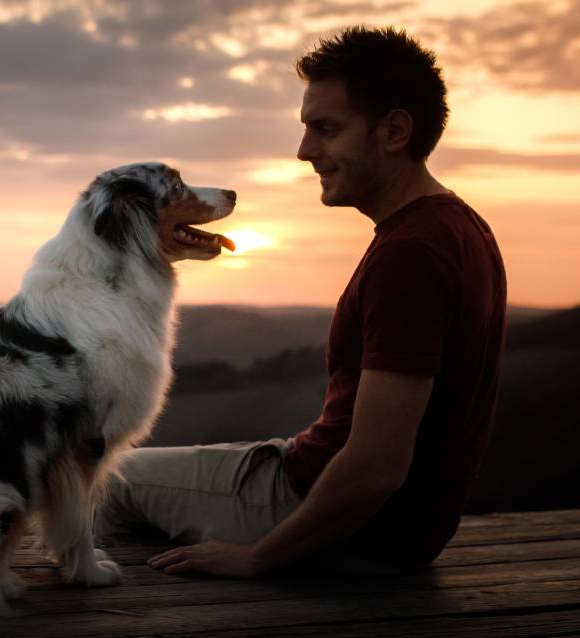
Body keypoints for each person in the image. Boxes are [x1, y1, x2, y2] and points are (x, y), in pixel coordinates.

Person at [97, 26, 508, 575]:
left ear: (394, 131)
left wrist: (258, 559)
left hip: (338, 519)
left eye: (326, 129)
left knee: (94, 480)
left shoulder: (412, 254)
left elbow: (377, 466)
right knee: (116, 468)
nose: (305, 150)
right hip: (361, 504)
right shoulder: (461, 227)